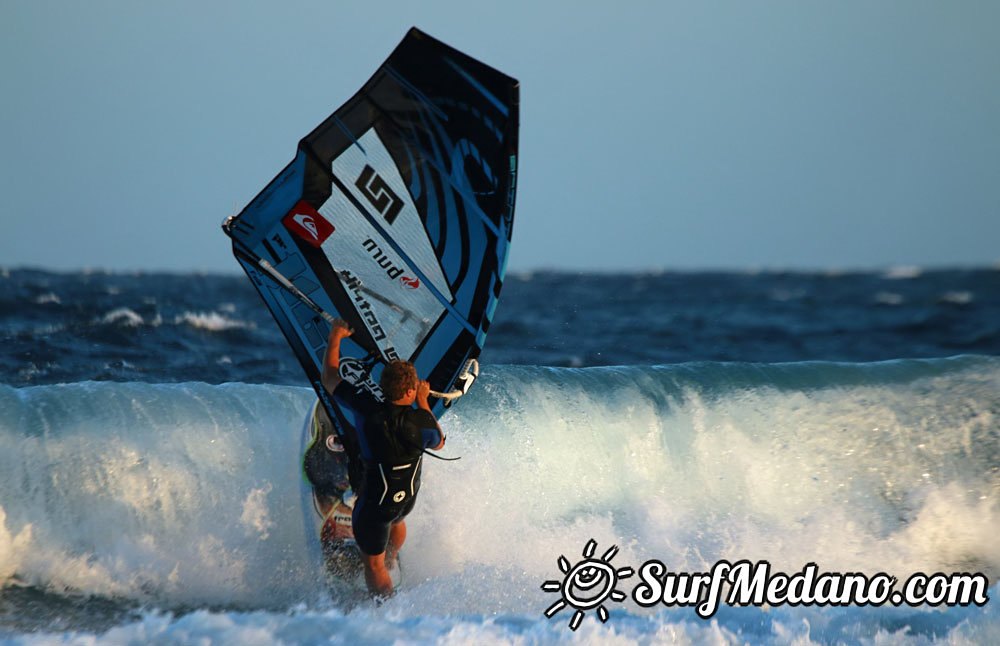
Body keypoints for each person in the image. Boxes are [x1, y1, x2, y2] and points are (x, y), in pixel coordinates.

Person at [319, 318, 445, 597]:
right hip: (406, 500)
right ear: (411, 391)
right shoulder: (420, 421)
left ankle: (385, 609)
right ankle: (392, 556)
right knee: (397, 521)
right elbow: (439, 442)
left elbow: (329, 378)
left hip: (374, 508)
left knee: (371, 564)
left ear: (381, 386)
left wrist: (336, 336)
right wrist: (423, 402)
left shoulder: (367, 408)